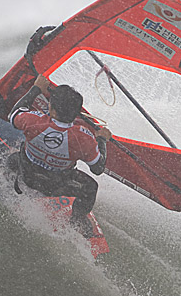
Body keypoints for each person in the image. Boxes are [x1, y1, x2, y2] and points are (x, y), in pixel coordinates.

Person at [9, 75, 112, 236]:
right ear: (76, 113)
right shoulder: (83, 138)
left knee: (14, 159)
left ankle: (11, 181)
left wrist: (36, 89)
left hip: (29, 176)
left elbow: (14, 113)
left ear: (52, 110)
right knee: (91, 187)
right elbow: (98, 168)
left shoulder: (33, 121)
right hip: (57, 185)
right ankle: (77, 218)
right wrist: (102, 139)